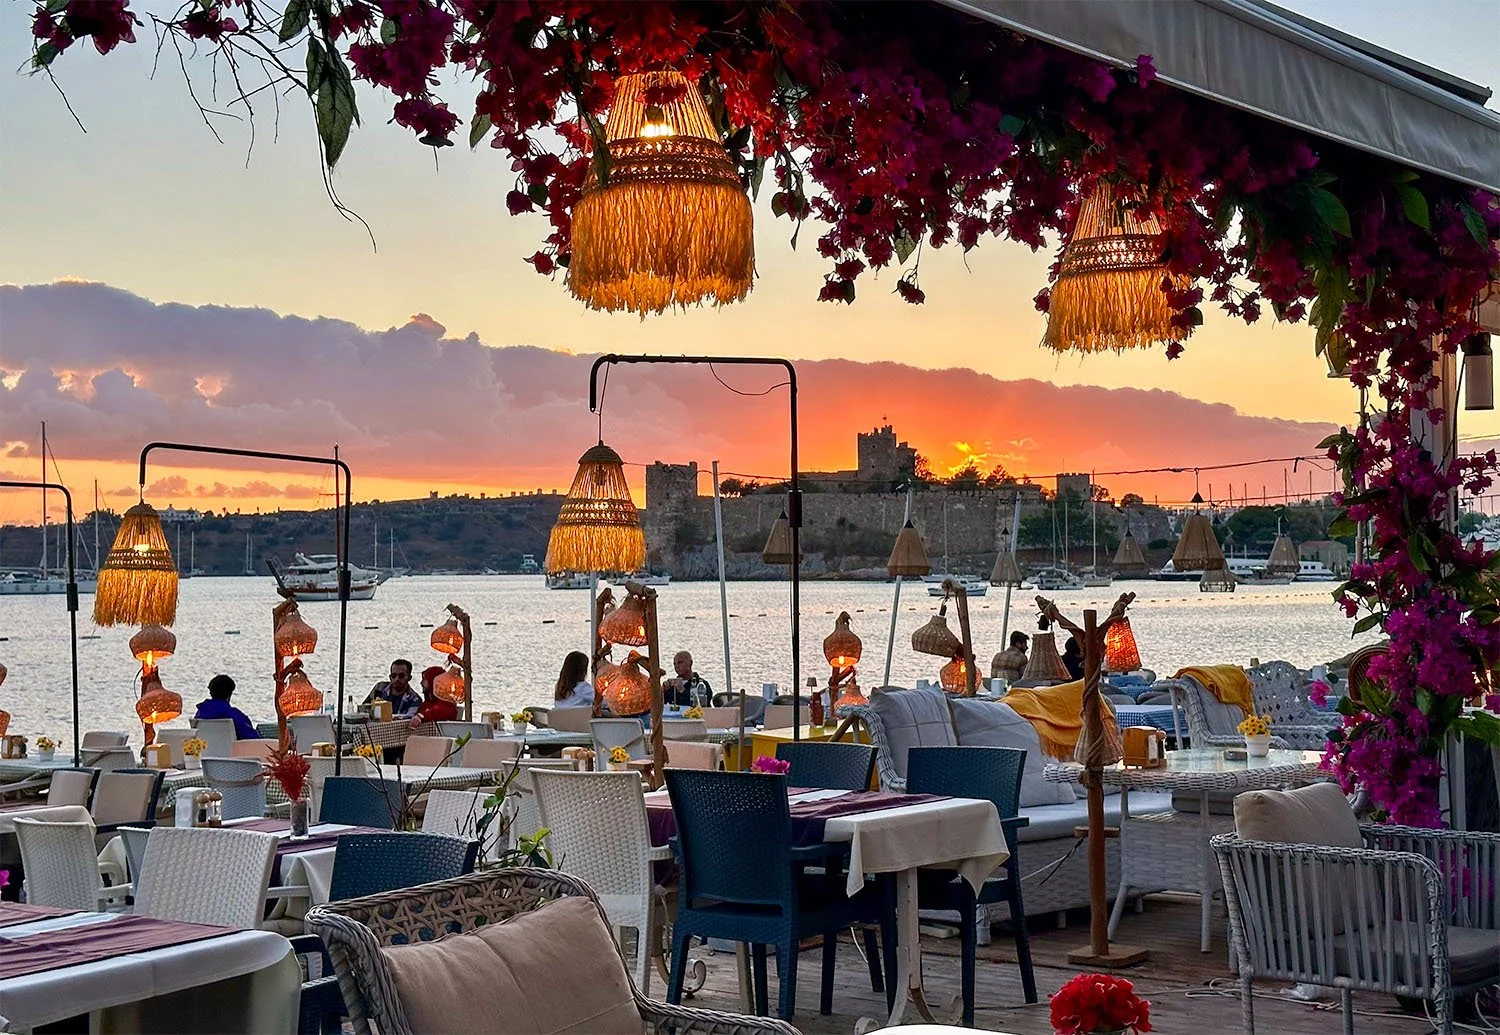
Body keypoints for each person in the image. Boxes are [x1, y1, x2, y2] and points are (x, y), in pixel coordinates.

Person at [193, 674, 262, 740]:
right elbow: (252, 738)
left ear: (211, 692)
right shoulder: (233, 715)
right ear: (230, 694)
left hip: (205, 751)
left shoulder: (200, 713)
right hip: (231, 751)